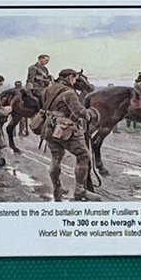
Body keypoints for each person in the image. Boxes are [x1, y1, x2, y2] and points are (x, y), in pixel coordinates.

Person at [41, 68, 95, 202]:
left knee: (56, 157)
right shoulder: (69, 92)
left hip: (49, 127)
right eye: (74, 78)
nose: (75, 81)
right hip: (65, 128)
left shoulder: (48, 89)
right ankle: (80, 191)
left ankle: (57, 188)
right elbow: (79, 112)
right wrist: (90, 114)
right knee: (83, 155)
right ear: (70, 77)